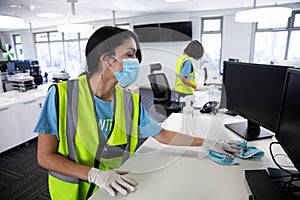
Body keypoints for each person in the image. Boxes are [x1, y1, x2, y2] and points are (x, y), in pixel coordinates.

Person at [35, 26, 241, 199]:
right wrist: (94, 175)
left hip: (115, 188)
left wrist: (206, 142)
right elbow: (45, 157)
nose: (136, 62)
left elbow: (163, 135)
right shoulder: (61, 96)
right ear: (106, 59)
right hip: (74, 192)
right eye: (130, 54)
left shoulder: (128, 100)